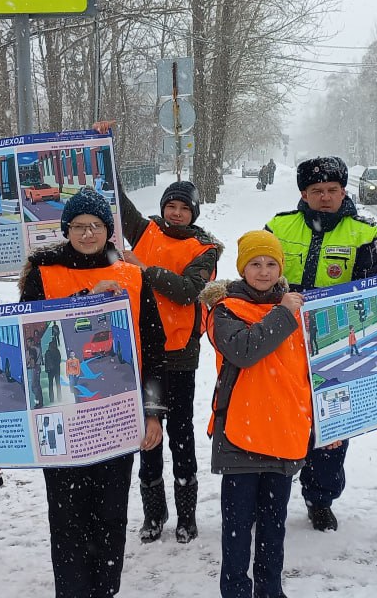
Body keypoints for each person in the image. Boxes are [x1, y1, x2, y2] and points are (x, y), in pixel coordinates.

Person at [17, 187, 167, 598]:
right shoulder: (43, 272)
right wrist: (86, 302)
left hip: (116, 414)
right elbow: (29, 339)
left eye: (96, 226)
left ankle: (104, 589)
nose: (87, 234)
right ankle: (72, 590)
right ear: (66, 230)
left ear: (108, 230)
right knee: (66, 516)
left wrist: (152, 411)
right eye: (79, 226)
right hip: (61, 413)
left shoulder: (133, 276)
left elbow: (154, 349)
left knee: (110, 512)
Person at [265, 155, 377, 532]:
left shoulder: (365, 233)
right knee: (283, 418)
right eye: (316, 191)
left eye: (332, 190)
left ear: (343, 192)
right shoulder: (277, 225)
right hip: (284, 341)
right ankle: (274, 490)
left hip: (335, 344)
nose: (325, 197)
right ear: (304, 193)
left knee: (332, 424)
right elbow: (256, 272)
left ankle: (320, 497)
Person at [199, 230, 311, 598]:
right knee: (237, 527)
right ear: (242, 268)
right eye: (255, 264)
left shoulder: (296, 309)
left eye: (271, 264)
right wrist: (283, 314)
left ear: (280, 268)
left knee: (272, 527)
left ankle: (269, 590)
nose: (263, 271)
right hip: (240, 435)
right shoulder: (225, 310)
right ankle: (235, 591)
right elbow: (245, 350)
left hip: (285, 433)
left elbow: (311, 372)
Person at [117, 180, 223, 544]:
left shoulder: (205, 249)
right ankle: (153, 513)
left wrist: (143, 269)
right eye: (171, 206)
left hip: (179, 354)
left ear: (194, 213)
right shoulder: (144, 230)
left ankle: (186, 515)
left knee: (180, 433)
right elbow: (118, 196)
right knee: (146, 435)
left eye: (184, 208)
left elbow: (186, 290)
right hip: (143, 352)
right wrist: (105, 149)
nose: (176, 213)